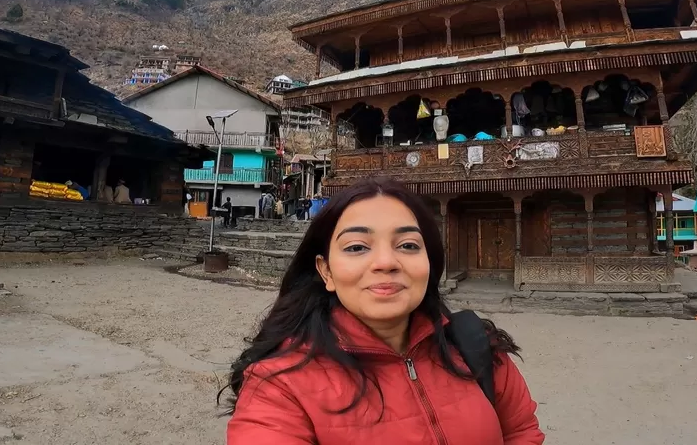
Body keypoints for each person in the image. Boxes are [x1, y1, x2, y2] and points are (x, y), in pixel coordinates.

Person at [223, 178, 545, 444]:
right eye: (357, 247)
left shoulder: (477, 346)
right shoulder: (278, 385)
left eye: (407, 245)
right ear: (326, 272)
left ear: (428, 263)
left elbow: (520, 432)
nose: (386, 263)